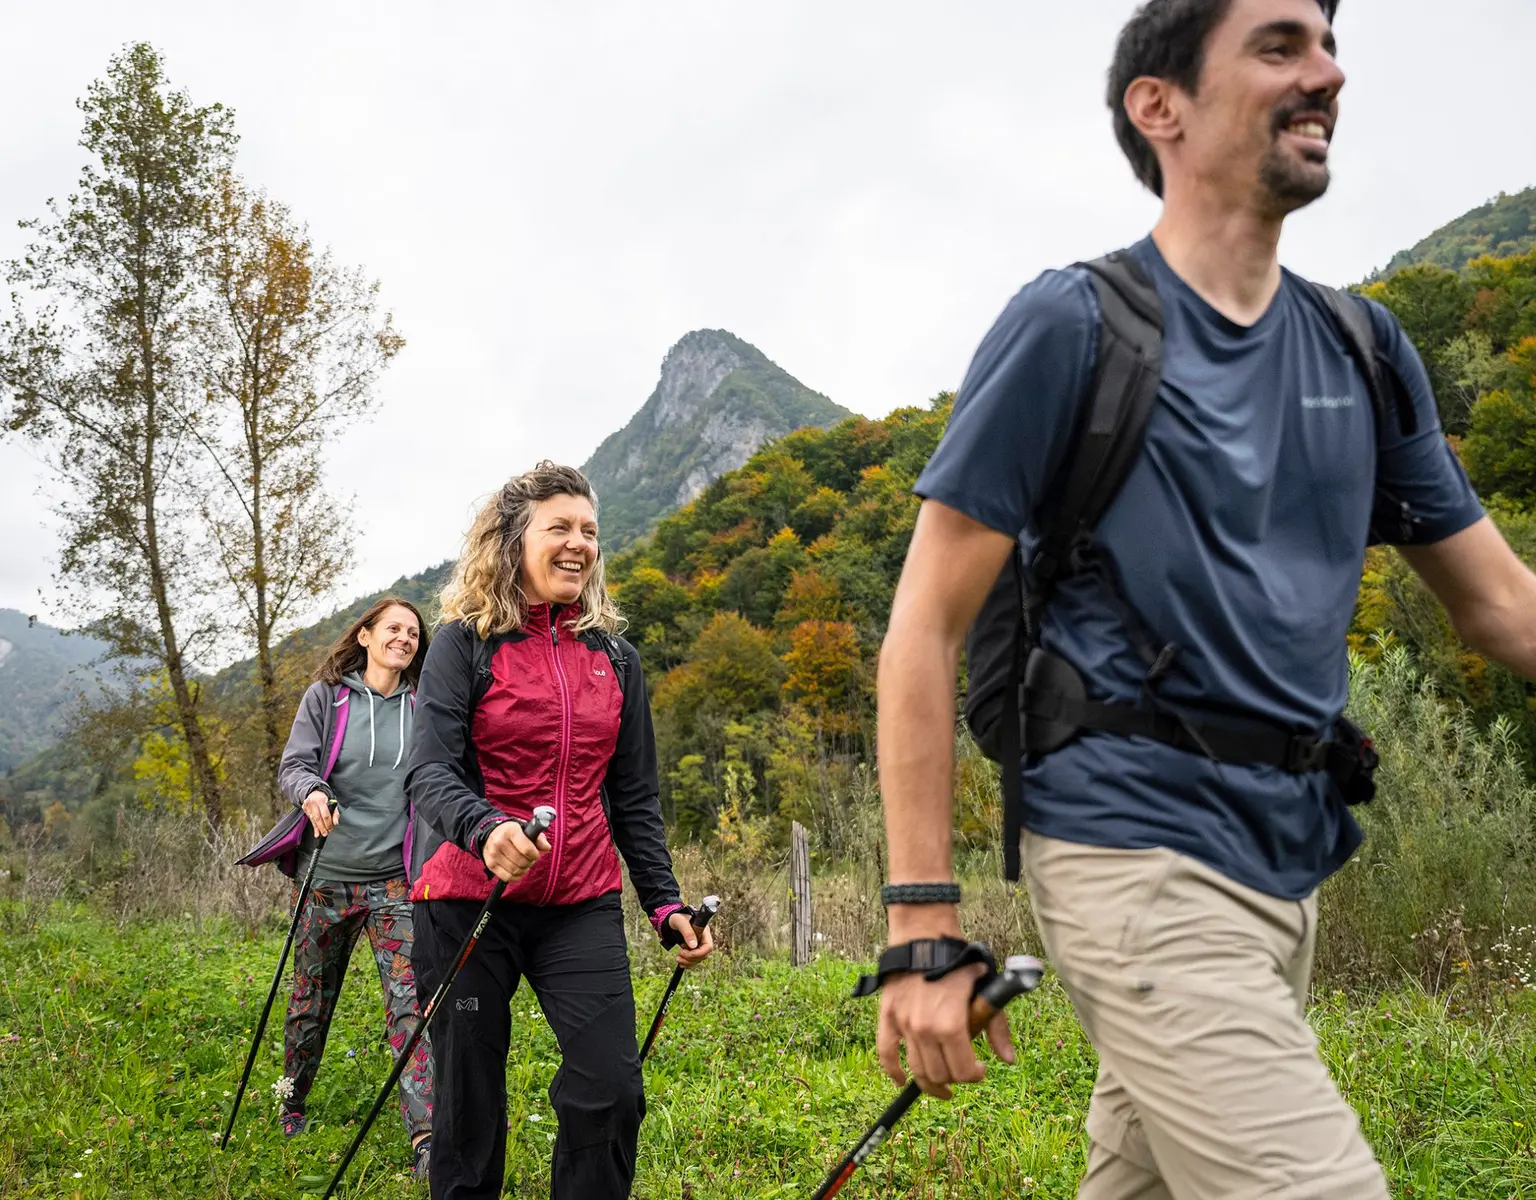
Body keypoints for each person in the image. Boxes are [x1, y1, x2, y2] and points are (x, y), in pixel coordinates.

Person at [872, 1, 1536, 1196]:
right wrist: (920, 921)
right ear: (1159, 105)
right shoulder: (1074, 326)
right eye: (1280, 45)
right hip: (1131, 852)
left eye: (1330, 46)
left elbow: (1503, 609)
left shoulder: (1365, 349)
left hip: (1285, 870)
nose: (1328, 73)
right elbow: (923, 626)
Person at [405, 461, 714, 1200]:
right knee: (469, 1108)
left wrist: (665, 905)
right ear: (514, 541)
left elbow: (634, 798)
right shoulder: (463, 643)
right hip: (466, 901)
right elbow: (427, 773)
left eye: (590, 532)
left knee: (611, 1087)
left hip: (579, 902)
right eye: (560, 528)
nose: (579, 544)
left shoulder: (615, 658)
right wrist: (485, 831)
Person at [275, 596, 437, 1180]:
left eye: (414, 633)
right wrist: (312, 791)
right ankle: (290, 1098)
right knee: (309, 1002)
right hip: (325, 880)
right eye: (393, 628)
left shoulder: (423, 705)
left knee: (410, 1006)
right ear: (365, 635)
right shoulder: (328, 697)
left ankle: (426, 1139)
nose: (404, 638)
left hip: (394, 882)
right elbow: (294, 766)